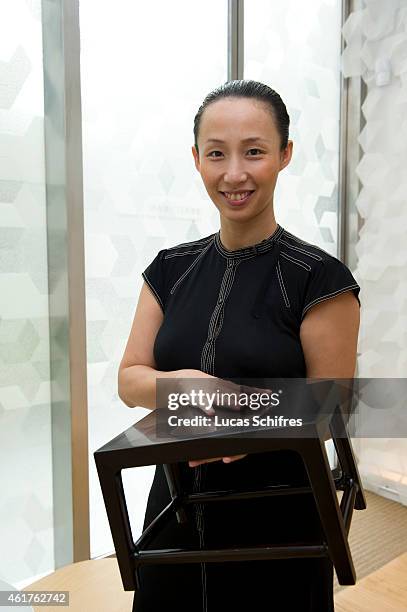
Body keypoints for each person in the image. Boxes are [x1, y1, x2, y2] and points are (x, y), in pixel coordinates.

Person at [118, 79, 361, 612]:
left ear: (284, 155)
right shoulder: (169, 269)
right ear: (196, 159)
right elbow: (131, 379)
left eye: (254, 152)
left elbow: (333, 403)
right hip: (174, 511)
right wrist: (186, 387)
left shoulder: (319, 278)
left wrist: (246, 417)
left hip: (280, 513)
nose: (234, 174)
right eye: (216, 154)